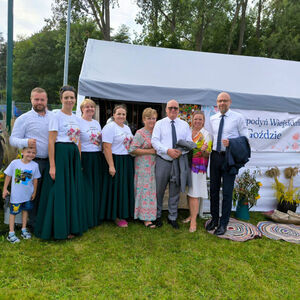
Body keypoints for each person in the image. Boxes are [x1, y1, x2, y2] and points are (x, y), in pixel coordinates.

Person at [34, 85, 88, 240]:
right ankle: (57, 228)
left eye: (72, 97)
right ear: (61, 99)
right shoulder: (55, 117)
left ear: (75, 99)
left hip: (73, 157)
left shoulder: (76, 118)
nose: (69, 100)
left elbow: (78, 141)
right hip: (61, 155)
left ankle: (72, 226)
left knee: (72, 191)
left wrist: (78, 160)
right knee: (59, 191)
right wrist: (52, 165)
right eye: (66, 97)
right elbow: (51, 141)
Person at [206, 92, 248, 235]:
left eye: (224, 101)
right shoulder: (212, 118)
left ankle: (223, 223)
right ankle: (214, 220)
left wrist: (231, 143)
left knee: (227, 192)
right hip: (215, 156)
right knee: (213, 190)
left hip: (229, 158)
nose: (222, 103)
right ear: (216, 103)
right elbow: (211, 137)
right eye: (219, 101)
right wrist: (206, 145)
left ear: (230, 102)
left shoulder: (238, 118)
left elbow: (245, 139)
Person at [9, 87, 52, 230]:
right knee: (31, 193)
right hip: (31, 162)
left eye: (42, 99)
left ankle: (45, 221)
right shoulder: (24, 119)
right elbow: (12, 139)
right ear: (31, 100)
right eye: (36, 99)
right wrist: (25, 142)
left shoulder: (53, 117)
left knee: (46, 193)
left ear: (46, 100)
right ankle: (32, 225)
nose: (39, 102)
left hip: (50, 161)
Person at [151, 99, 192, 229]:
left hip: (178, 162)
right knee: (159, 190)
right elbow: (155, 141)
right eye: (170, 108)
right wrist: (167, 150)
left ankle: (172, 217)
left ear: (178, 110)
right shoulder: (159, 124)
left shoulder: (184, 125)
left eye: (175, 108)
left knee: (175, 191)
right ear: (166, 110)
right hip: (163, 161)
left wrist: (180, 151)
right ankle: (157, 216)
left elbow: (189, 142)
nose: (173, 110)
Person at [101, 104, 134, 227]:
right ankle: (116, 216)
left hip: (126, 160)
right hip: (115, 159)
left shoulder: (126, 128)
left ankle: (125, 213)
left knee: (124, 188)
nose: (121, 116)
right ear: (113, 115)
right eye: (118, 114)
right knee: (116, 189)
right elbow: (106, 147)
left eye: (123, 114)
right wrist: (111, 165)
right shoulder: (110, 127)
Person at [3, 147, 41, 243]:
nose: (31, 154)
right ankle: (11, 233)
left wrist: (34, 192)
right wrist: (4, 189)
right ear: (22, 152)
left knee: (25, 211)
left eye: (33, 153)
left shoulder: (35, 165)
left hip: (27, 195)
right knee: (13, 212)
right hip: (16, 196)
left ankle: (24, 229)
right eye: (28, 152)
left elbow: (35, 179)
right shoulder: (15, 163)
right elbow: (8, 175)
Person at [183, 111, 212, 232]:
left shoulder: (206, 134)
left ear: (203, 121)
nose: (197, 121)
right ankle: (191, 215)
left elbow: (207, 154)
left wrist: (204, 150)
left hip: (198, 167)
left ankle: (193, 222)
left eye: (200, 119)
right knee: (190, 191)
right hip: (187, 164)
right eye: (195, 119)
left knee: (195, 193)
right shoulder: (188, 132)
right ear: (192, 120)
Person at [129, 108, 157, 228]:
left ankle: (152, 214)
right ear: (143, 119)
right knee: (145, 191)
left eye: (154, 118)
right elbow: (132, 150)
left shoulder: (157, 132)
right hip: (143, 166)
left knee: (152, 191)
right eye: (149, 118)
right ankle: (145, 218)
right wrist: (150, 151)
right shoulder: (140, 133)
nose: (151, 120)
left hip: (154, 166)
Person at [79, 98, 103, 228]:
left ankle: (95, 215)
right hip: (85, 156)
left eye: (92, 107)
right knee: (86, 187)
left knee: (95, 187)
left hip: (96, 157)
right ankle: (86, 216)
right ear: (82, 109)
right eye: (87, 107)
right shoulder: (78, 122)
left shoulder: (96, 123)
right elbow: (77, 142)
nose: (89, 109)